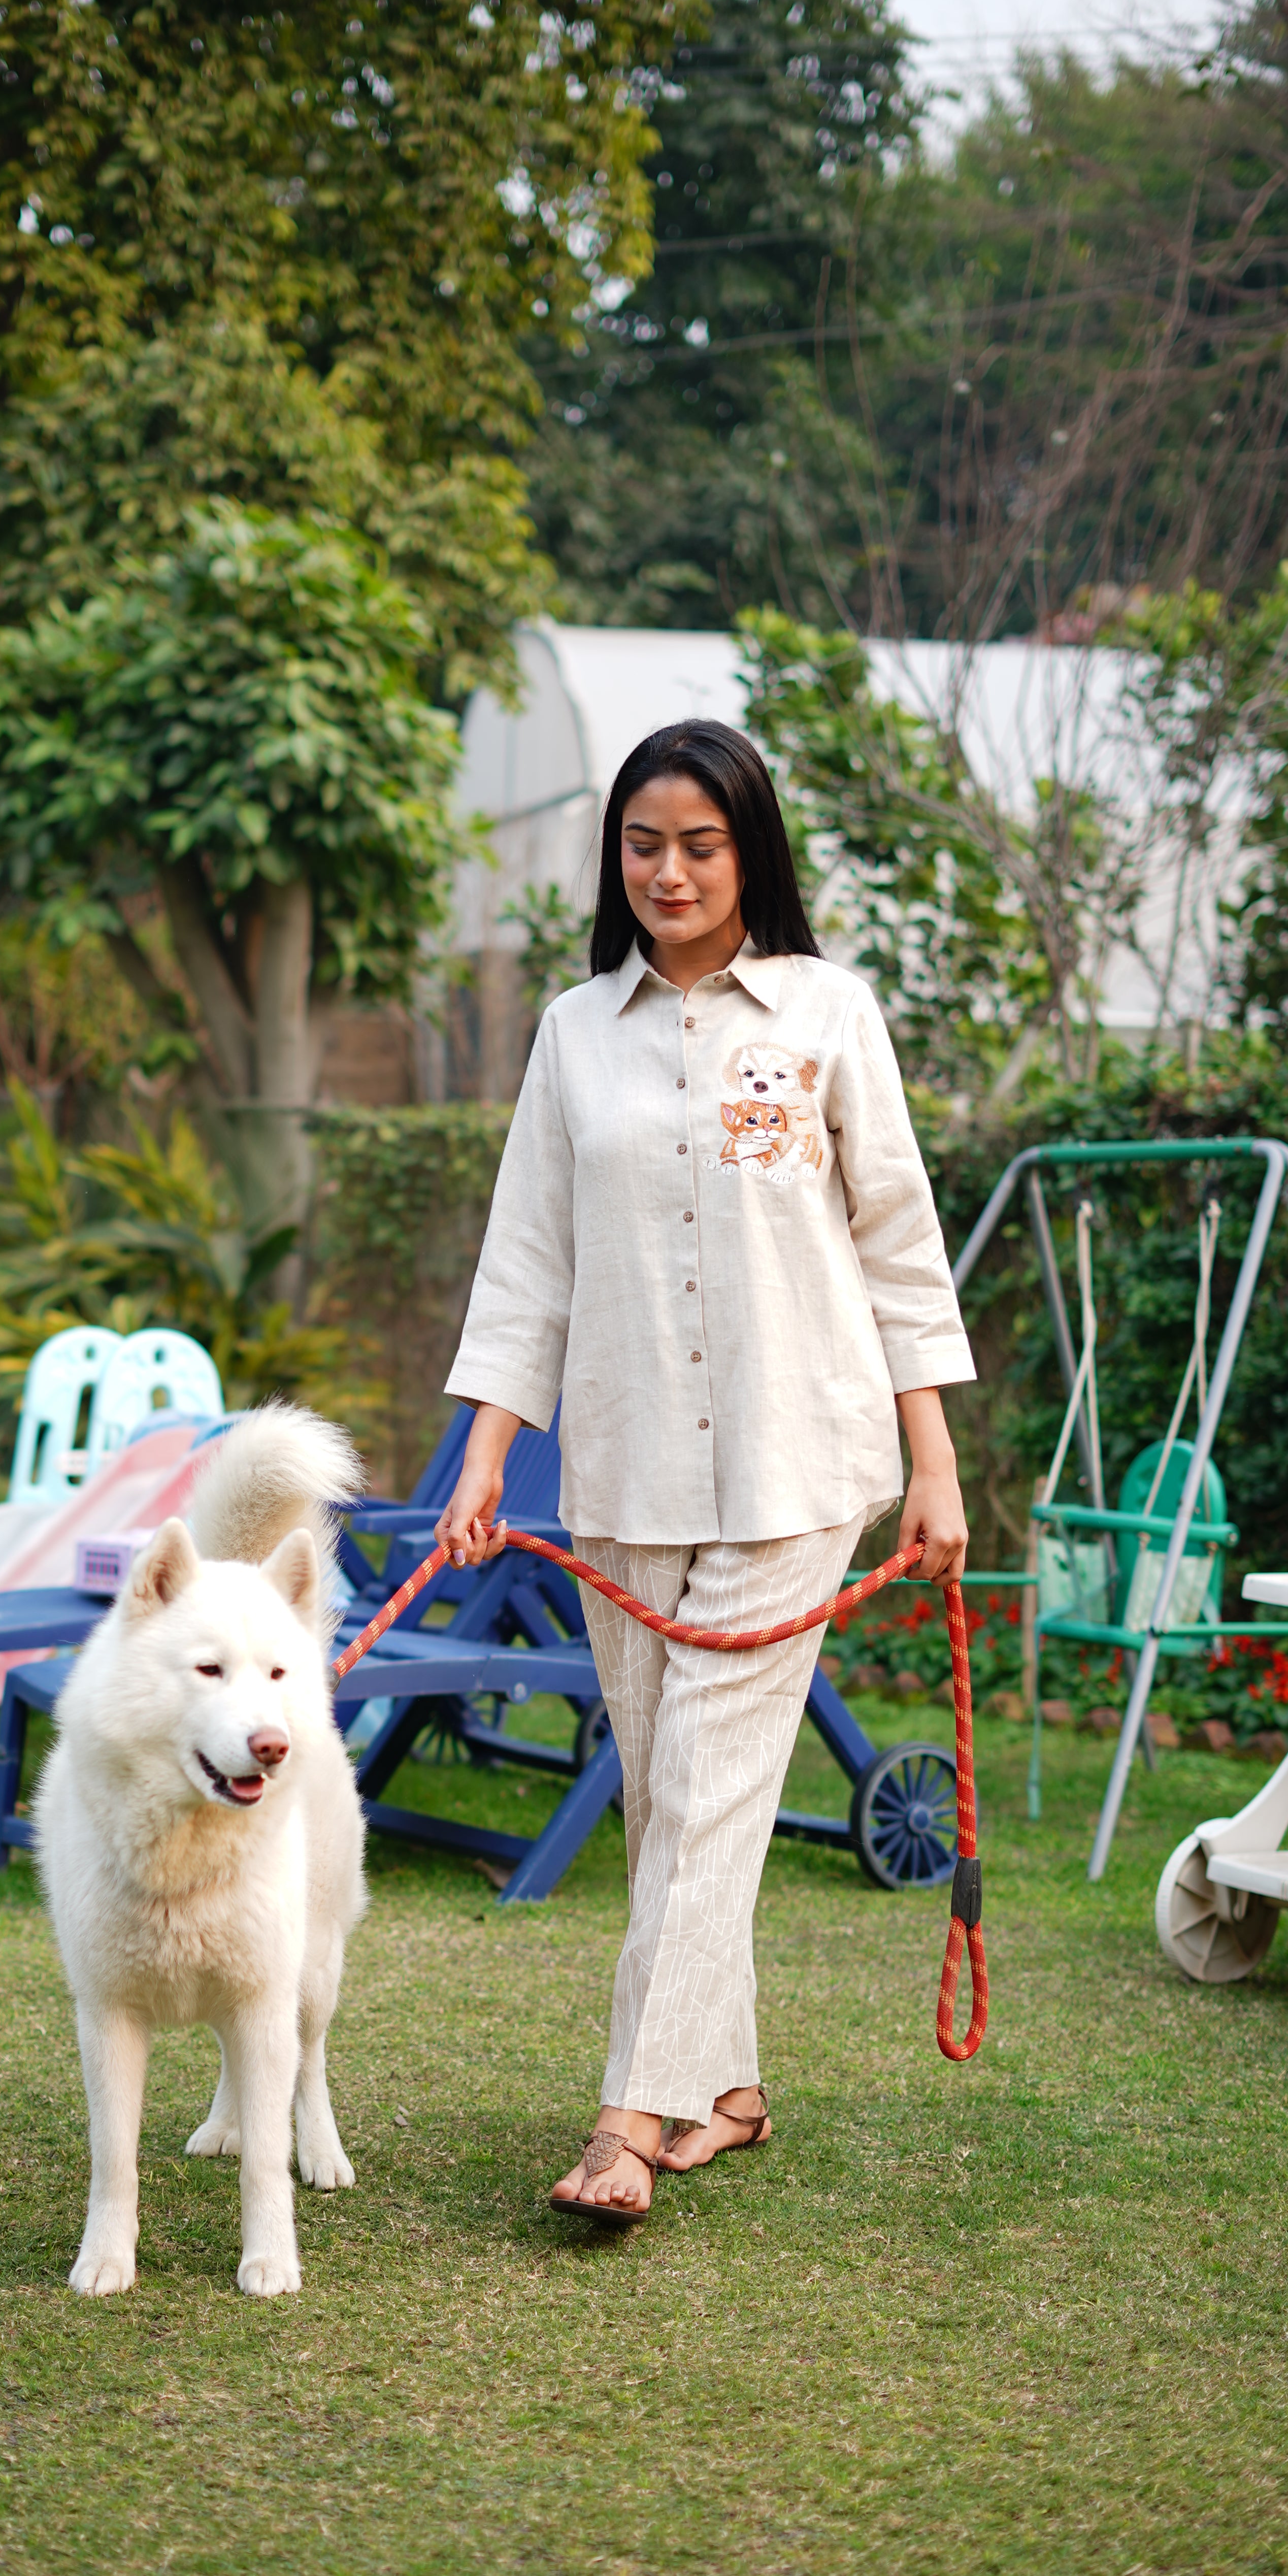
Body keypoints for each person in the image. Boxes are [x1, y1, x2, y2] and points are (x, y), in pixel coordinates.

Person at [436, 719, 974, 2225]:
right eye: (643, 844)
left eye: (701, 845)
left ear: (753, 853)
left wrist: (934, 1469)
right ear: (617, 859)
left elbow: (900, 1251)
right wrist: (488, 1457)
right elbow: (525, 1264)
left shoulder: (825, 1015)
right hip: (618, 1475)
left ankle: (625, 2121)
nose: (669, 873)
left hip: (801, 1460)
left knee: (708, 1784)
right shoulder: (570, 1033)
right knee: (678, 1806)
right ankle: (727, 2092)